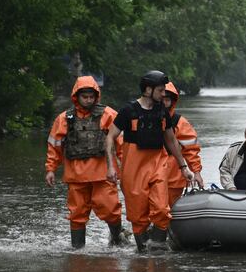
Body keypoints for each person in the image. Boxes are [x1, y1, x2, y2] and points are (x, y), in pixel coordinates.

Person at [105, 70, 194, 252]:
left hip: (157, 164)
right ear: (148, 90)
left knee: (162, 209)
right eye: (161, 90)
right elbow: (110, 137)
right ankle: (143, 253)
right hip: (133, 168)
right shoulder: (128, 111)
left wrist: (183, 166)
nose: (164, 94)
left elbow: (171, 140)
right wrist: (110, 167)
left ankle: (159, 247)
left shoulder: (162, 112)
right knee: (138, 217)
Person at [45, 76, 125, 248]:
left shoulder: (109, 115)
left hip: (103, 174)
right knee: (77, 214)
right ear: (77, 96)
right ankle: (77, 249)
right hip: (75, 176)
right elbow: (55, 145)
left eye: (91, 97)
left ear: (96, 96)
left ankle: (117, 238)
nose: (88, 100)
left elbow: (121, 144)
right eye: (85, 97)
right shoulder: (64, 119)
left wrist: (126, 168)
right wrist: (51, 168)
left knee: (111, 209)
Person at [162, 82, 204, 206]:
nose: (164, 103)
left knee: (168, 211)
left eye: (167, 100)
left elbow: (191, 150)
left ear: (172, 102)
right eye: (161, 99)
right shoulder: (144, 120)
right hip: (150, 174)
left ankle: (164, 226)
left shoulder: (180, 123)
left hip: (173, 177)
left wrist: (196, 172)